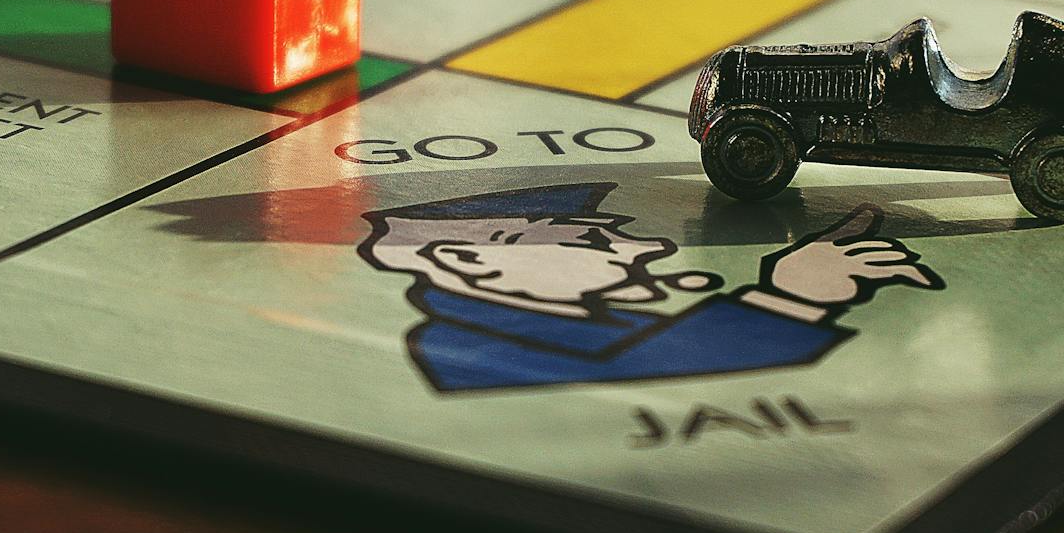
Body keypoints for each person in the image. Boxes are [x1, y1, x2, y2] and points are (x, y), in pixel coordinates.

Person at [357, 183, 941, 392]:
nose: (647, 248)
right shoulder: (460, 348)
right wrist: (792, 299)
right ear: (468, 259)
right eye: (594, 240)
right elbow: (635, 378)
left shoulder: (605, 325)